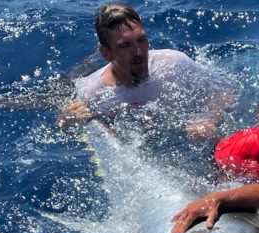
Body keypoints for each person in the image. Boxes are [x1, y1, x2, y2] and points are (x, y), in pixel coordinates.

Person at [57, 2, 229, 138]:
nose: (139, 51)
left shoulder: (172, 62)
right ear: (107, 52)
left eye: (141, 39)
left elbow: (225, 89)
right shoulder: (91, 92)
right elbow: (66, 128)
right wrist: (66, 122)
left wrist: (209, 119)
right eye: (125, 45)